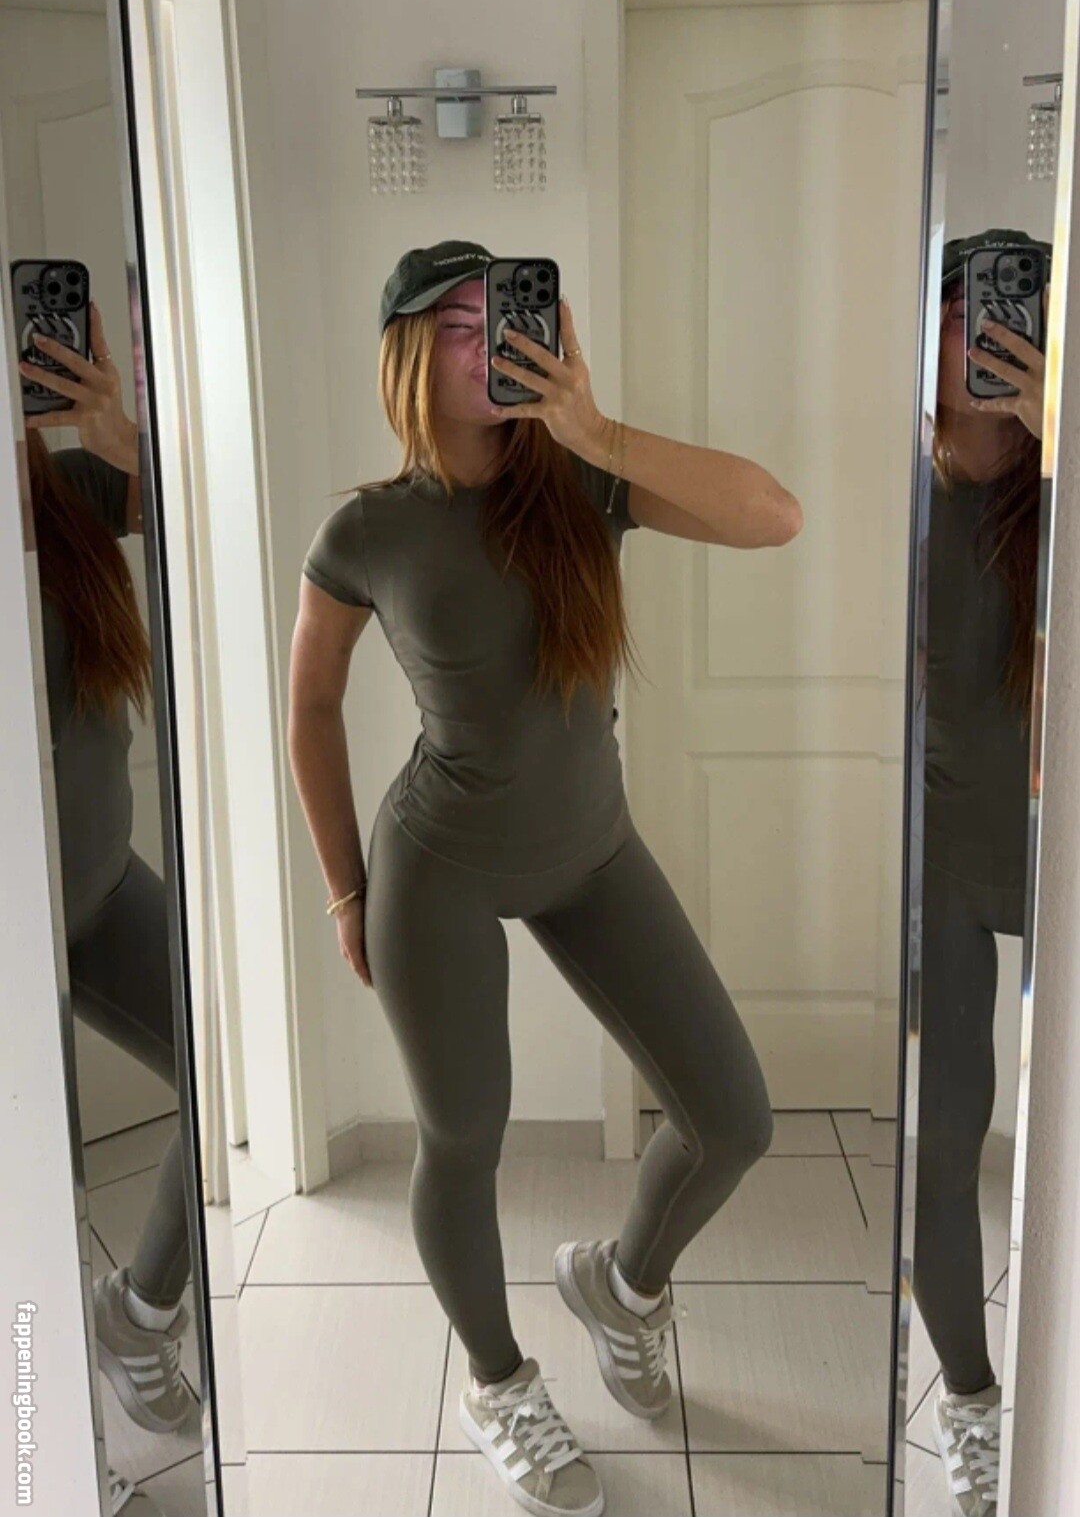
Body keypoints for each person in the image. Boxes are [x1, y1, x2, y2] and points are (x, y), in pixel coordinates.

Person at [289, 241, 803, 1516]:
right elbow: (310, 706)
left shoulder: (584, 478)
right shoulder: (365, 528)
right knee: (465, 1135)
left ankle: (622, 1285)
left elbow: (774, 515)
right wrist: (347, 888)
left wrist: (597, 426)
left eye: (507, 313)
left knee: (734, 1116)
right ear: (408, 352)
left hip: (593, 849)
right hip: (440, 865)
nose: (493, 338)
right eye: (459, 323)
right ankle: (498, 1380)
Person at [18, 303, 196, 1515]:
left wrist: (119, 437)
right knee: (32, 1193)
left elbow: (203, 531)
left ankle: (137, 1313)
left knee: (213, 1069)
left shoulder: (75, 489)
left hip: (100, 884)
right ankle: (51, 1458)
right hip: (14, 934)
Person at [913, 229, 1049, 1517]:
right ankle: (969, 1398)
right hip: (945, 861)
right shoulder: (905, 490)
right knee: (945, 1144)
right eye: (968, 312)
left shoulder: (1063, 482)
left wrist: (1063, 434)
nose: (993, 338)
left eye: (1019, 314)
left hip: (1061, 855)